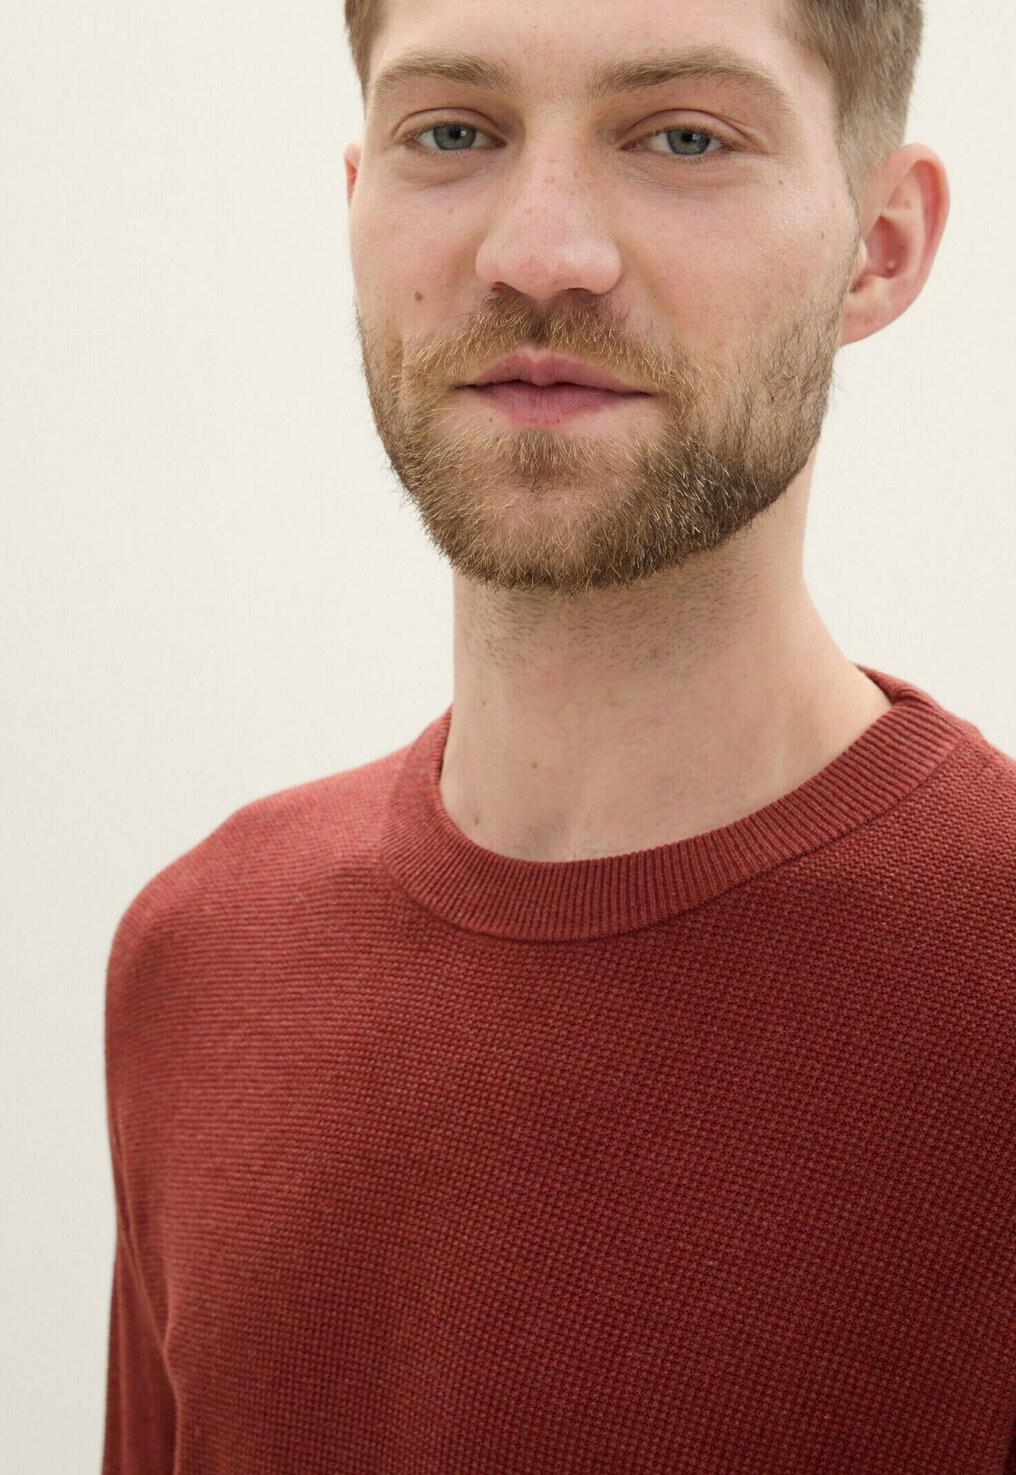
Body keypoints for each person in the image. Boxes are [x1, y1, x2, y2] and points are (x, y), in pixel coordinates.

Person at [101, 0, 1016, 1470]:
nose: (538, 253)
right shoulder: (201, 958)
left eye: (684, 138)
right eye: (454, 132)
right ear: (359, 205)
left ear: (882, 244)